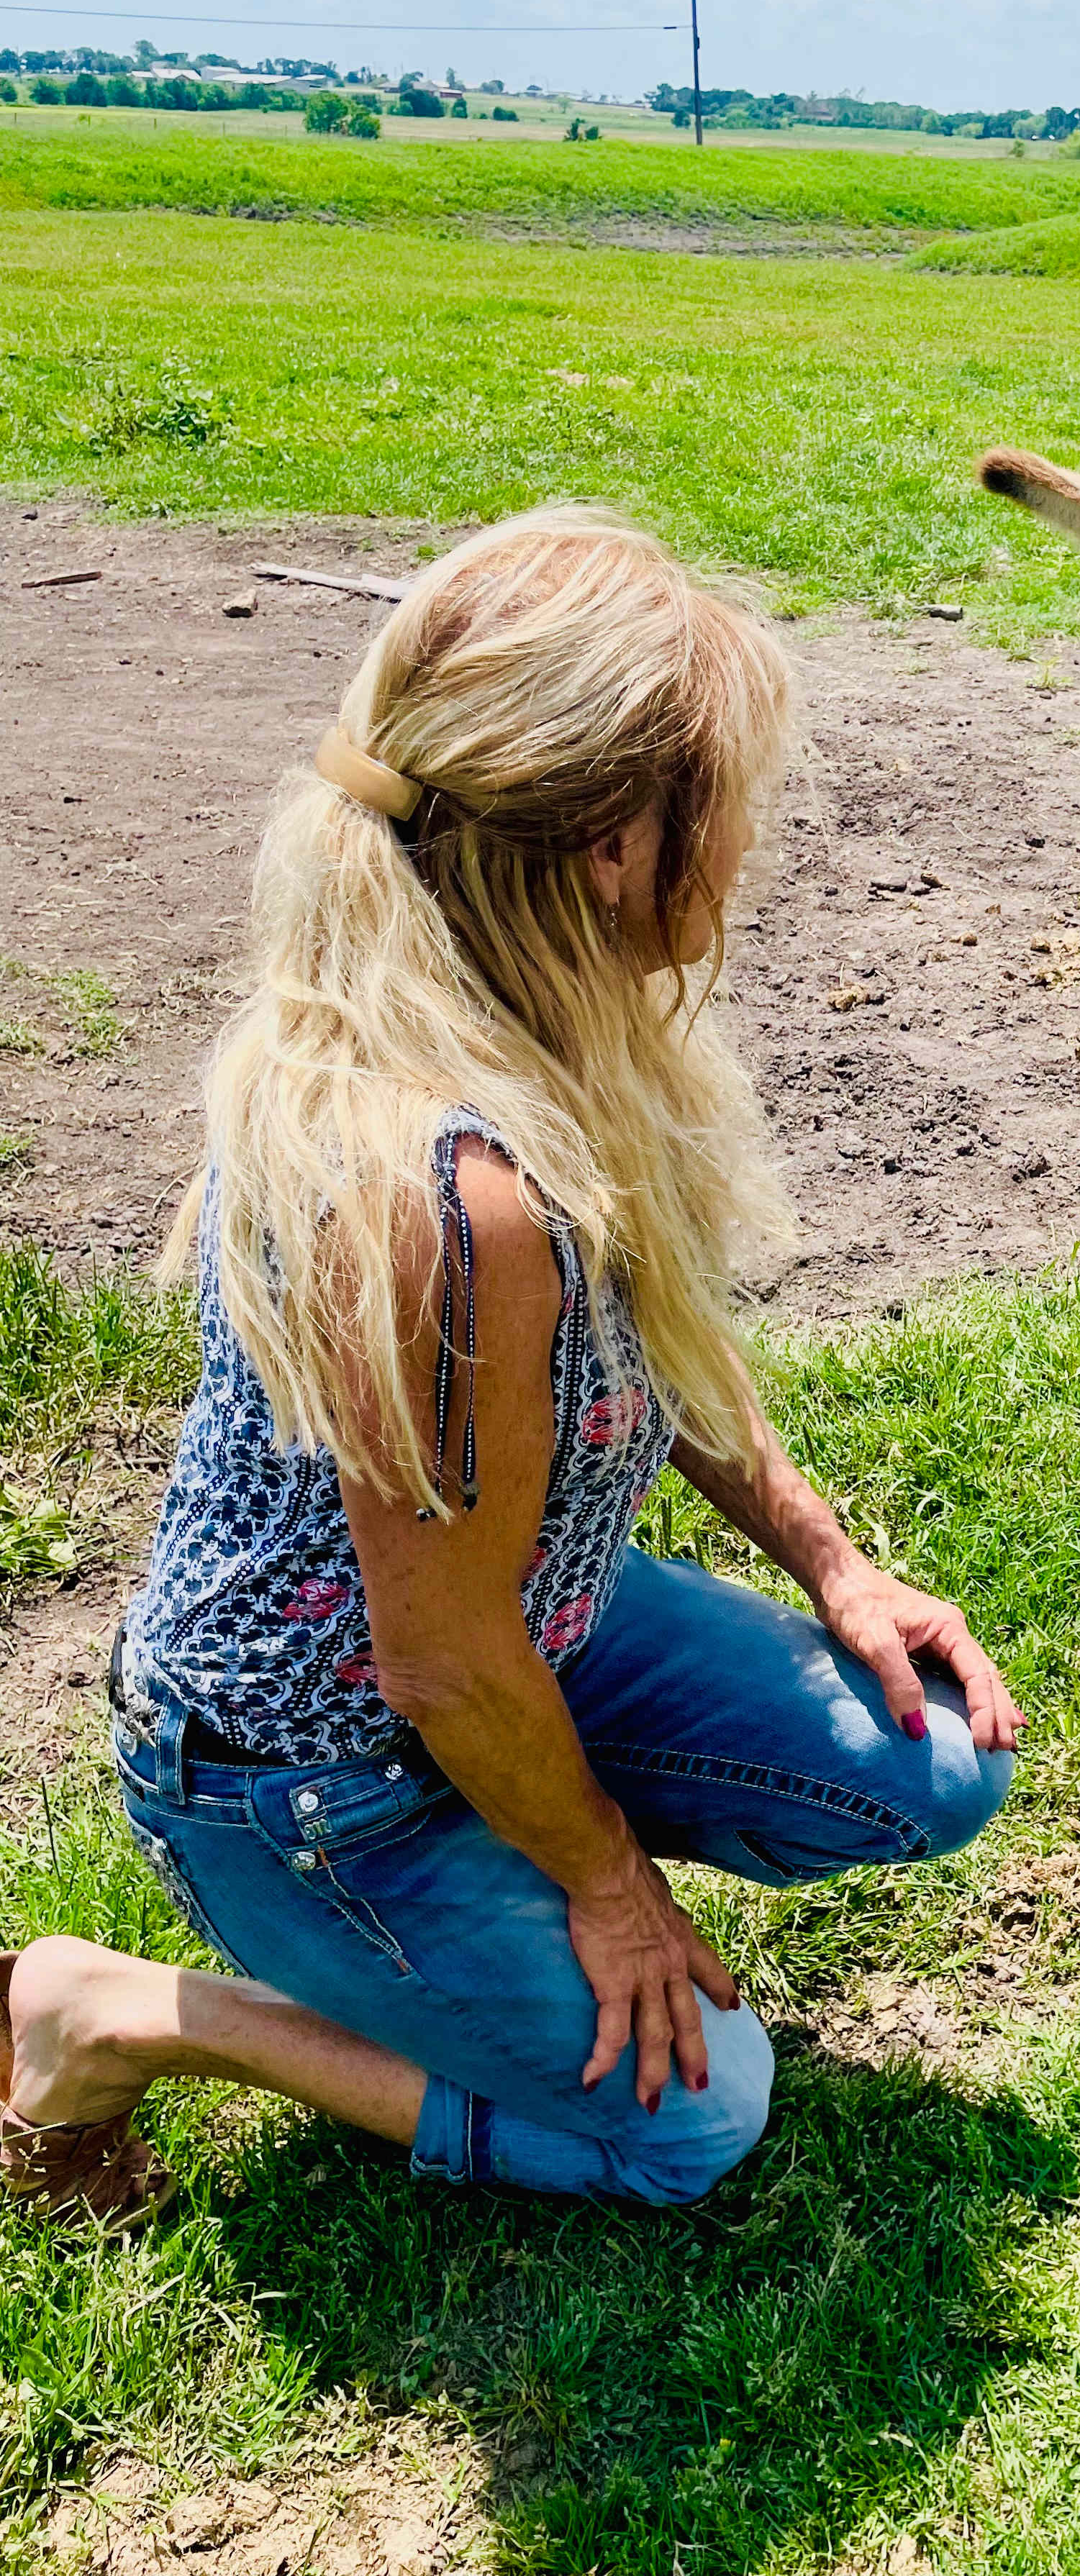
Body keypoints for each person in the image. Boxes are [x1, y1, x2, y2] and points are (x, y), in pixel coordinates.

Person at [1, 512, 1022, 2227]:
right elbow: (440, 1659)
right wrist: (607, 1884)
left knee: (932, 1762)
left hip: (516, 1630)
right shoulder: (446, 1199)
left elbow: (654, 1339)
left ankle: (501, 1870)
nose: (747, 845)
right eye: (728, 801)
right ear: (613, 847)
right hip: (308, 1776)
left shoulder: (513, 1006)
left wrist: (830, 1558)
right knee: (692, 2126)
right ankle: (107, 2012)